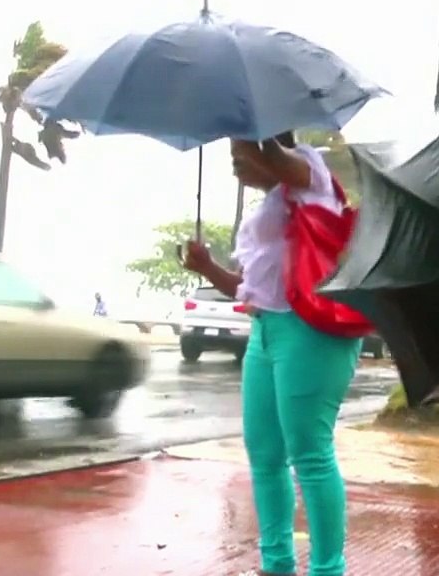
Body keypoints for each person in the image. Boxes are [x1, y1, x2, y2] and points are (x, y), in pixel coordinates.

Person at [181, 132, 362, 576]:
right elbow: (247, 289)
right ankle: (276, 565)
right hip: (265, 330)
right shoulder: (268, 209)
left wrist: (255, 133)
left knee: (310, 453)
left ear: (267, 142)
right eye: (231, 154)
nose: (235, 162)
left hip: (312, 331)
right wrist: (206, 267)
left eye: (241, 151)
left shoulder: (311, 175)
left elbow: (280, 156)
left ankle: (327, 570)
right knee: (264, 453)